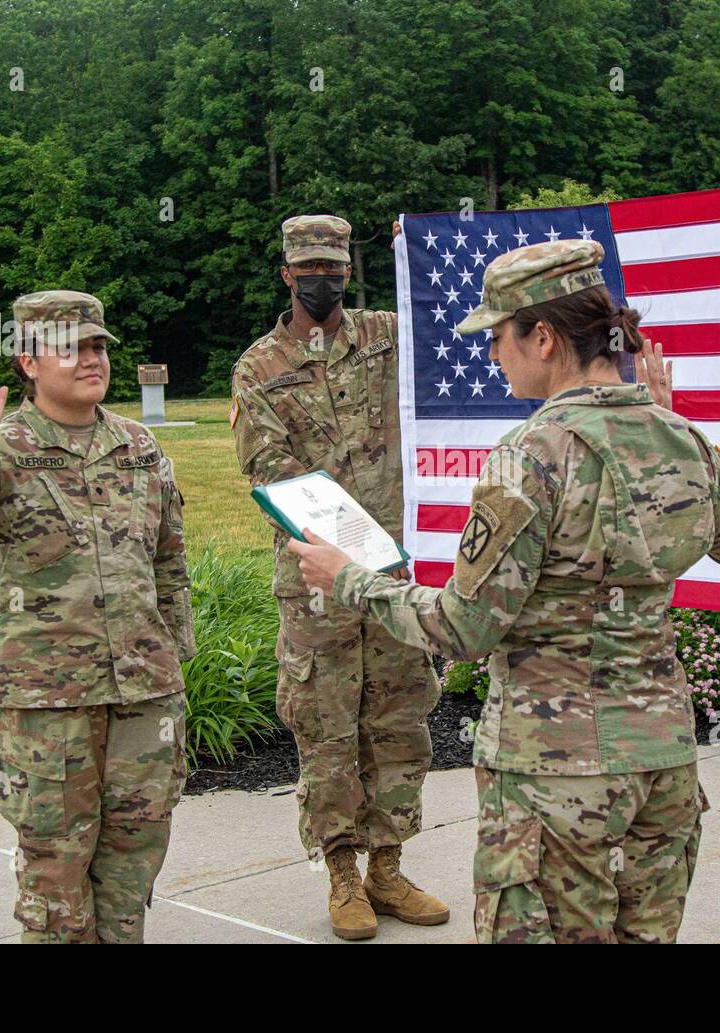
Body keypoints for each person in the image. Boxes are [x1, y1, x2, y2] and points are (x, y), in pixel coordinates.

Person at [289, 239, 720, 943]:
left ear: (542, 336)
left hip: (556, 774)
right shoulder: (679, 438)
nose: (491, 355)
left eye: (498, 336)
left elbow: (463, 627)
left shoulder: (532, 454)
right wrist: (678, 424)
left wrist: (352, 581)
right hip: (661, 768)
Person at [0, 291, 194, 943]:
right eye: (74, 347)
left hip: (144, 699)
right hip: (42, 704)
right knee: (56, 888)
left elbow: (170, 562)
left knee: (128, 876)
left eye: (99, 346)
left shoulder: (140, 447)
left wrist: (175, 665)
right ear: (30, 361)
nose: (93, 358)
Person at [230, 215, 449, 940]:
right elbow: (270, 470)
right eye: (309, 268)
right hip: (318, 579)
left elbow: (446, 322)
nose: (322, 278)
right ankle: (343, 874)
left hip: (391, 578)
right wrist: (345, 544)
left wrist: (417, 244)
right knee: (327, 728)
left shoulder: (388, 335)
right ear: (287, 273)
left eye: (335, 266)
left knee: (399, 717)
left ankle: (388, 867)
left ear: (350, 270)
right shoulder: (259, 367)